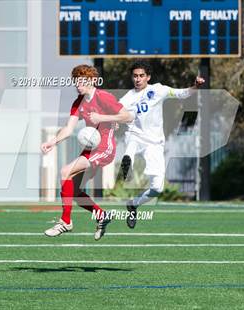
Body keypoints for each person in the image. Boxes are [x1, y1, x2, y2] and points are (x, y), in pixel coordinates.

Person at [41, 64, 134, 240]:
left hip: (105, 148)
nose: (78, 85)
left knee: (65, 171)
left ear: (92, 81)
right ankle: (101, 215)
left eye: (81, 81)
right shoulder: (78, 102)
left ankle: (65, 221)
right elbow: (68, 129)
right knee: (74, 191)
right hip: (90, 150)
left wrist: (102, 118)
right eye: (76, 82)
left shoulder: (103, 97)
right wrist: (52, 142)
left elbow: (128, 116)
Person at [119, 60, 205, 229]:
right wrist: (113, 121)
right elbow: (116, 112)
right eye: (135, 76)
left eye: (141, 76)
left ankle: (133, 204)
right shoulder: (127, 98)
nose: (138, 79)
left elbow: (182, 94)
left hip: (154, 143)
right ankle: (126, 161)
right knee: (131, 143)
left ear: (148, 77)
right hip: (135, 136)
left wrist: (195, 86)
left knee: (157, 189)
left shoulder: (158, 90)